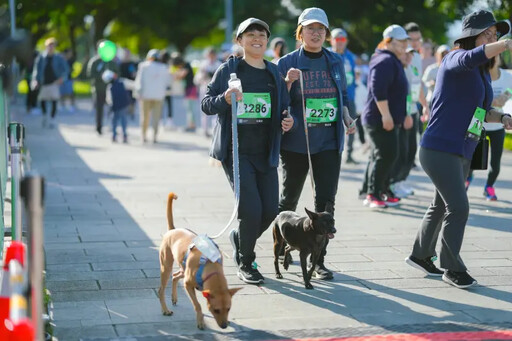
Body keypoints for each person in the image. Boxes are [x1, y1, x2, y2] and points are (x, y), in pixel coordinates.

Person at [406, 10, 512, 289]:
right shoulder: (454, 58)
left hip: (461, 148)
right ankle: (451, 268)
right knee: (459, 207)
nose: (494, 38)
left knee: (441, 204)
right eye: (488, 34)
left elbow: (481, 111)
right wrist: (504, 44)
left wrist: (501, 118)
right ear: (470, 35)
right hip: (440, 148)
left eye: (496, 35)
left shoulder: (481, 74)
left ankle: (420, 254)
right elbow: (470, 56)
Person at [201, 18, 293, 284]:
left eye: (262, 35)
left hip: (266, 152)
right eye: (250, 34)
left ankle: (240, 239)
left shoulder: (273, 73)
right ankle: (246, 261)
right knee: (250, 210)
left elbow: (285, 108)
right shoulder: (229, 70)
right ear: (239, 40)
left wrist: (288, 120)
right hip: (236, 152)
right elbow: (207, 104)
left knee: (270, 210)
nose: (257, 38)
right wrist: (225, 99)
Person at [277, 7, 355, 280]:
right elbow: (278, 102)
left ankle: (319, 260)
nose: (316, 33)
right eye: (310, 29)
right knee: (289, 199)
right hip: (297, 143)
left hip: (329, 142)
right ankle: (280, 245)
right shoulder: (286, 62)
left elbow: (342, 95)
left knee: (326, 202)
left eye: (320, 29)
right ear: (300, 33)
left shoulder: (335, 61)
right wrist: (287, 83)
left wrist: (347, 118)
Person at [360, 25, 411, 208]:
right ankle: (373, 194)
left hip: (388, 118)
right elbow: (378, 90)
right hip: (379, 119)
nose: (405, 45)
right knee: (385, 155)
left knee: (390, 155)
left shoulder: (393, 59)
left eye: (406, 41)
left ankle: (382, 190)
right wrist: (386, 116)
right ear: (389, 41)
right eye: (401, 41)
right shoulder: (384, 60)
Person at [466, 54, 512, 200]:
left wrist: (507, 95)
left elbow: (511, 89)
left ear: (498, 59)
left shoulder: (506, 76)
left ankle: (489, 187)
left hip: (498, 124)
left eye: (495, 57)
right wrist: (491, 101)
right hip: (478, 121)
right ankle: (466, 180)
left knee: (495, 162)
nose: (492, 59)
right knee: (471, 157)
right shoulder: (479, 75)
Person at [331, 28, 362, 164]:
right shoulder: (327, 55)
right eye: (337, 39)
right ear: (331, 40)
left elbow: (355, 75)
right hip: (332, 99)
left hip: (349, 97)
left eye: (342, 39)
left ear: (347, 41)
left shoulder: (351, 57)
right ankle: (332, 153)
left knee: (351, 125)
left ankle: (349, 154)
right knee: (332, 127)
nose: (340, 42)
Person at [31, 38, 69, 128]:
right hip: (43, 83)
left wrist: (62, 79)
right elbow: (36, 70)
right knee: (43, 100)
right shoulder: (41, 57)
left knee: (54, 101)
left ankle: (52, 119)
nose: (51, 48)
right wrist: (35, 80)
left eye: (53, 46)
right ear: (46, 47)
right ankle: (45, 116)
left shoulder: (58, 58)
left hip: (54, 83)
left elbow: (66, 70)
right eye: (49, 46)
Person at [134, 49, 171, 143]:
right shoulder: (164, 67)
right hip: (158, 96)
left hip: (145, 95)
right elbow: (168, 82)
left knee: (145, 117)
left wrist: (138, 93)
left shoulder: (143, 66)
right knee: (156, 117)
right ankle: (154, 137)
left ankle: (144, 136)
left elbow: (139, 81)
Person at [86, 40, 120, 135]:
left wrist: (113, 76)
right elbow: (90, 74)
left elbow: (117, 74)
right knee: (99, 108)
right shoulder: (95, 62)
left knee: (112, 109)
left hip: (111, 89)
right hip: (98, 89)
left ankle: (112, 126)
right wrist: (101, 76)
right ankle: (99, 127)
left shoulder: (112, 62)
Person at [195, 48, 222, 137]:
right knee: (204, 109)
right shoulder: (203, 64)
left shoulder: (219, 64)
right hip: (205, 87)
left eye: (212, 54)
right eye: (209, 55)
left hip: (216, 89)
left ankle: (215, 129)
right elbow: (197, 79)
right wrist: (203, 75)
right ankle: (205, 130)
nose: (211, 56)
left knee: (216, 109)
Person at [102, 70, 131, 143]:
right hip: (122, 105)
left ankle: (117, 135)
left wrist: (110, 105)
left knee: (115, 121)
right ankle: (121, 135)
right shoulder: (122, 82)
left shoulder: (111, 86)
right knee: (121, 120)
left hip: (117, 106)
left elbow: (108, 99)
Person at [173, 54, 198, 132]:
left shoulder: (186, 65)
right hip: (188, 88)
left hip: (191, 88)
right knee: (189, 108)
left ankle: (192, 126)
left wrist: (176, 74)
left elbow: (180, 76)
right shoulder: (185, 66)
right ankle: (190, 125)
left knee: (190, 108)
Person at [59, 48, 76, 113]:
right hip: (61, 79)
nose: (70, 54)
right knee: (62, 93)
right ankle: (62, 105)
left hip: (69, 78)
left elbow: (72, 70)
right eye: (69, 53)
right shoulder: (61, 60)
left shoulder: (71, 61)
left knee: (70, 92)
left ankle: (72, 105)